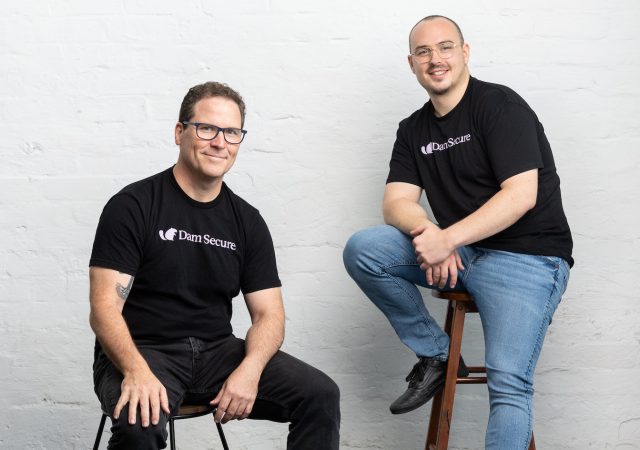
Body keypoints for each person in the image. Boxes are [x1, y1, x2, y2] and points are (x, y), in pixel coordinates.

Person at [343, 15, 572, 449]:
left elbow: (521, 194)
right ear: (411, 63)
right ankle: (438, 353)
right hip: (464, 255)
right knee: (366, 249)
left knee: (508, 383)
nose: (435, 59)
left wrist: (448, 239)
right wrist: (431, 233)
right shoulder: (413, 129)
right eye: (424, 52)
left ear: (465, 53)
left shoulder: (499, 106)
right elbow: (395, 203)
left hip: (528, 258)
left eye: (445, 47)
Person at [89, 81, 340, 450]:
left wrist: (250, 370)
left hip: (217, 353)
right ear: (180, 133)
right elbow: (104, 308)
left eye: (232, 132)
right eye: (207, 128)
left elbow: (269, 314)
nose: (220, 142)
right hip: (144, 350)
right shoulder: (133, 206)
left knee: (320, 394)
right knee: (140, 424)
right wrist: (136, 371)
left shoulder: (247, 221)